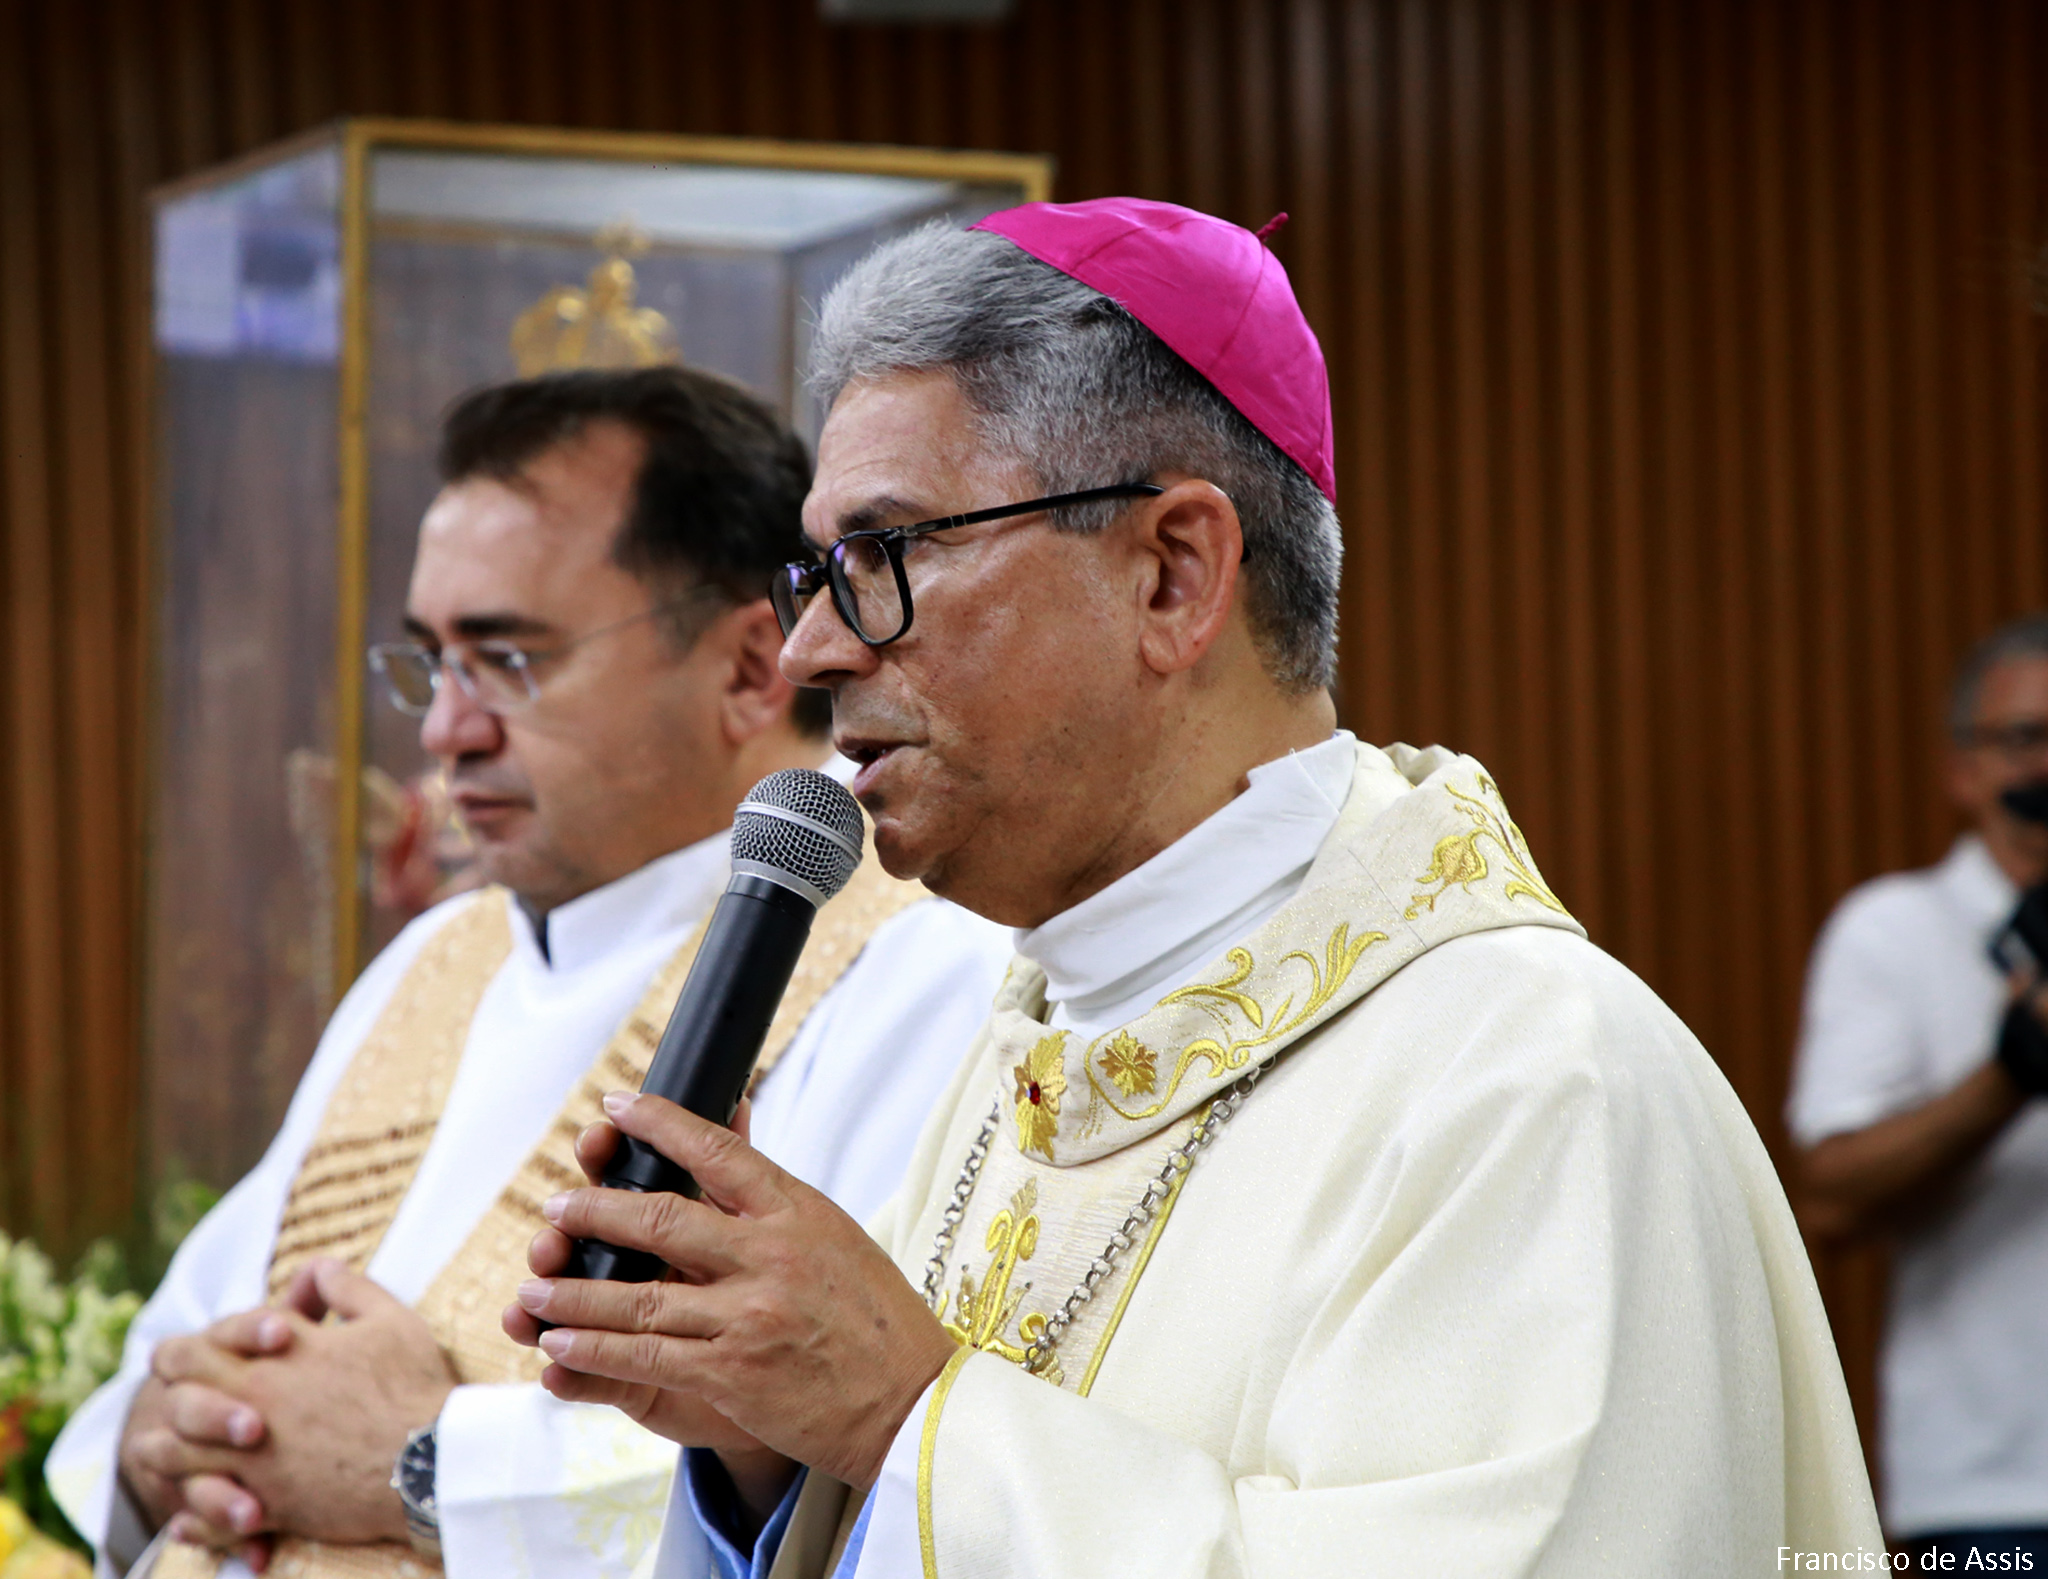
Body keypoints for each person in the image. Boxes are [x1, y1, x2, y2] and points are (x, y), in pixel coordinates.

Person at [502, 198, 1884, 1579]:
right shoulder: (1033, 1041)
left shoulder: (1534, 1079)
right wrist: (768, 1447)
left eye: (889, 554)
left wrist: (899, 1413)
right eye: (821, 569)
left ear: (1171, 576)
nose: (811, 648)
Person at [45, 367, 1013, 1579]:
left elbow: (868, 1458)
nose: (444, 731)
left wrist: (427, 1464)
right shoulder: (440, 957)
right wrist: (168, 1437)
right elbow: (177, 1359)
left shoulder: (924, 965)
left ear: (747, 669)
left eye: (506, 659)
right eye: (431, 662)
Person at [1789, 614, 2048, 1570]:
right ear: (1961, 771)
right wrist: (2012, 1073)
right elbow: (1829, 1197)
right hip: (1994, 1488)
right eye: (2025, 737)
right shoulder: (1892, 932)